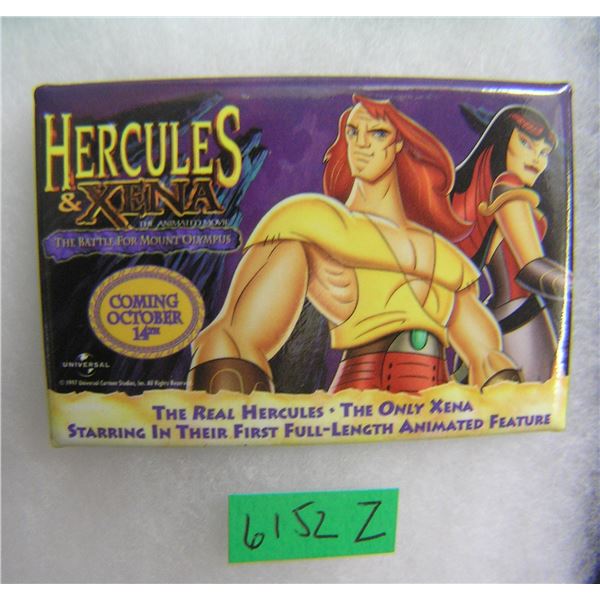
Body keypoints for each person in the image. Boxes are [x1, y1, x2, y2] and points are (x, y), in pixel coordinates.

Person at [187, 95, 521, 394]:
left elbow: (488, 358)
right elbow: (233, 338)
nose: (361, 143)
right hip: (360, 404)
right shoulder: (315, 223)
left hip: (430, 412)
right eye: (352, 131)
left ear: (399, 143)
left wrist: (505, 396)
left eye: (378, 133)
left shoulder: (442, 256)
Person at [452, 105, 569, 382]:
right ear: (503, 141)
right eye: (527, 144)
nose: (537, 159)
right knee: (531, 402)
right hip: (522, 319)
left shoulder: (488, 190)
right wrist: (581, 288)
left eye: (544, 152)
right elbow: (531, 269)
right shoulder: (509, 188)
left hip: (497, 318)